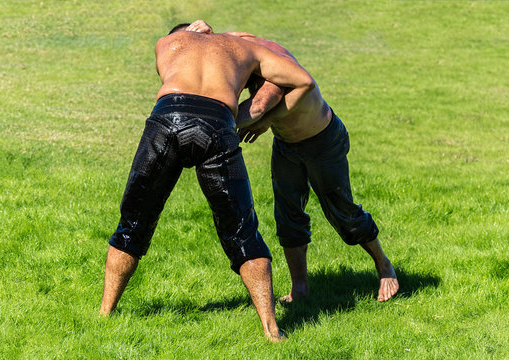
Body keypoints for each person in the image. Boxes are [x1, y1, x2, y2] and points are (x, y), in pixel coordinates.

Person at [99, 22, 315, 343]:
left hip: (167, 119)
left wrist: (192, 32)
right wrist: (257, 117)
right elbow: (303, 81)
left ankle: (104, 314)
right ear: (209, 32)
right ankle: (272, 329)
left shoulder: (167, 43)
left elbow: (187, 45)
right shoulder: (245, 48)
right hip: (217, 123)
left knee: (134, 222)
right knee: (242, 230)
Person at [182, 20, 399, 303]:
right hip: (287, 145)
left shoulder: (272, 69)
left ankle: (384, 266)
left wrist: (203, 119)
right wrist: (194, 35)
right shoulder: (236, 43)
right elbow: (211, 38)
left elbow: (257, 107)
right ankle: (300, 288)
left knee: (342, 212)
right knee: (288, 216)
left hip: (322, 141)